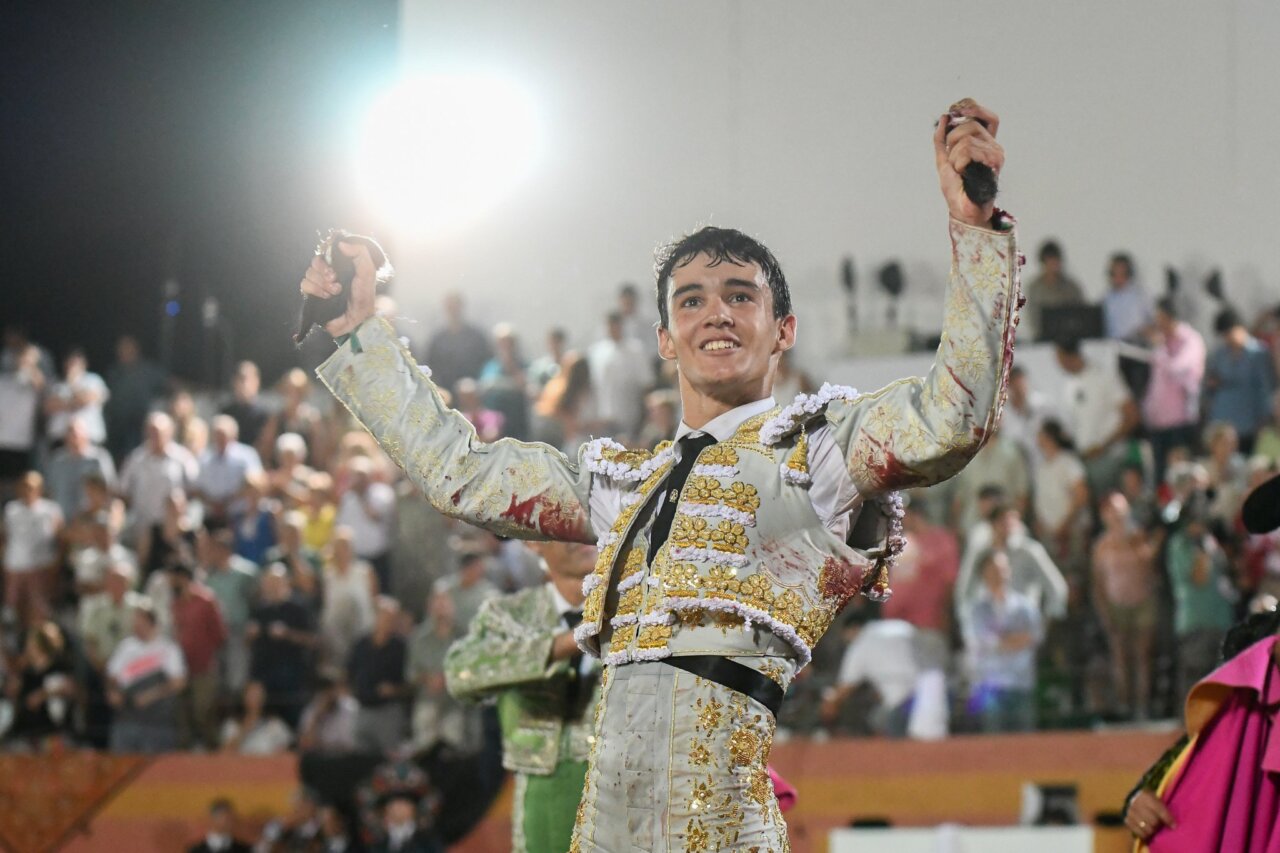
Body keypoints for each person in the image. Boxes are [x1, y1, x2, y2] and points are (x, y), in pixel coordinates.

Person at [299, 99, 1018, 851]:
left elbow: (952, 418)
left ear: (784, 331)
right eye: (692, 300)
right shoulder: (621, 485)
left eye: (743, 296)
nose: (717, 314)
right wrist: (359, 331)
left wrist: (973, 230)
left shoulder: (822, 456)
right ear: (665, 340)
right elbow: (460, 475)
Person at [445, 540, 603, 853]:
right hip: (544, 790)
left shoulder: (637, 607)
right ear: (534, 542)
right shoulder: (509, 615)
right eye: (566, 528)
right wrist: (561, 645)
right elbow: (461, 674)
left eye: (592, 523)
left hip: (627, 784)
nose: (584, 537)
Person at [1091, 492, 1158, 720]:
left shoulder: (1138, 537)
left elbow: (1150, 567)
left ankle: (1142, 706)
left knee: (1142, 656)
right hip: (1116, 605)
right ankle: (1124, 705)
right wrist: (1104, 613)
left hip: (1142, 602)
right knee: (1120, 656)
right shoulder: (1101, 546)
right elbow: (1098, 583)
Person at [963, 549, 1044, 732]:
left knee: (1025, 745)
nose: (999, 574)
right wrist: (1014, 640)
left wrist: (1002, 641)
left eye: (1002, 568)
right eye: (993, 569)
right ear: (984, 574)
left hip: (1021, 683)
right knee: (994, 744)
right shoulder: (977, 609)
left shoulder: (1025, 606)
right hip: (992, 686)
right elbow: (985, 642)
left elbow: (1034, 637)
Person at [106, 597, 187, 753]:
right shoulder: (126, 646)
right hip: (126, 719)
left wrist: (151, 695)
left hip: (157, 723)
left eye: (139, 620)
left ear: (151, 622)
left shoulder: (168, 649)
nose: (135, 625)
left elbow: (179, 683)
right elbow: (111, 676)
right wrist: (112, 692)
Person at [1143, 298, 1207, 483]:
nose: (1157, 324)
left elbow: (1178, 370)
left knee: (1180, 476)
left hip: (1180, 424)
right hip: (1157, 424)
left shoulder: (1190, 341)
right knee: (1160, 478)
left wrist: (1160, 349)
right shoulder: (1163, 342)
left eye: (1161, 318)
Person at [168, 561, 228, 749]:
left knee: (203, 711)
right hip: (182, 669)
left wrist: (205, 651)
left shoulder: (206, 600)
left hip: (204, 666)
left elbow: (219, 634)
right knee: (183, 714)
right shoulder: (175, 604)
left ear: (183, 578)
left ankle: (214, 752)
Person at [1204, 307, 1276, 455]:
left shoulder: (1258, 353)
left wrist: (1263, 420)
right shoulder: (1219, 355)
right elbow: (1209, 384)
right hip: (1222, 422)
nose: (1228, 338)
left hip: (1248, 423)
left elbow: (1265, 389)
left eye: (1229, 333)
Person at [348, 595, 410, 753]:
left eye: (391, 618)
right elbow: (349, 671)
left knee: (390, 760)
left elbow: (411, 682)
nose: (387, 621)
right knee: (360, 757)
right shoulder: (361, 644)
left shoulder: (401, 647)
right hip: (363, 709)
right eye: (384, 616)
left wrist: (395, 689)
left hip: (388, 711)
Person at [3, 471, 64, 624]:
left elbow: (60, 538)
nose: (27, 490)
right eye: (23, 486)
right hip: (15, 568)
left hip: (42, 568)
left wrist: (56, 563)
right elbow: (4, 536)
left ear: (40, 489)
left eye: (31, 487)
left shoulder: (51, 509)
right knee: (13, 609)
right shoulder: (11, 509)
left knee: (39, 609)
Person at [43, 348, 110, 447]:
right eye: (69, 362)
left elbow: (85, 400)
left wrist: (72, 384)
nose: (71, 366)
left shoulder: (93, 380)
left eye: (75, 363)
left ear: (84, 364)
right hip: (60, 439)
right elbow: (47, 407)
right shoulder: (56, 384)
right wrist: (72, 402)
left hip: (88, 439)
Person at [1024, 239, 1085, 341]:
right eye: (1049, 261)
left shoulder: (1071, 287)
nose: (1053, 265)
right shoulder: (1035, 288)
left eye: (1055, 261)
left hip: (1069, 340)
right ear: (1043, 262)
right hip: (1043, 340)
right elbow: (1033, 317)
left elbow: (1081, 313)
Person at [1102, 253, 1154, 342]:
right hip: (1113, 345)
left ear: (1129, 274)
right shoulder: (1105, 299)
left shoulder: (1142, 295)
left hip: (1137, 345)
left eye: (1121, 273)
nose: (1116, 278)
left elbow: (1154, 321)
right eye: (1113, 273)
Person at [188, 798, 252, 853]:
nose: (230, 822)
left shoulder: (244, 849)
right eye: (225, 818)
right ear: (212, 819)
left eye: (231, 818)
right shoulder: (196, 850)